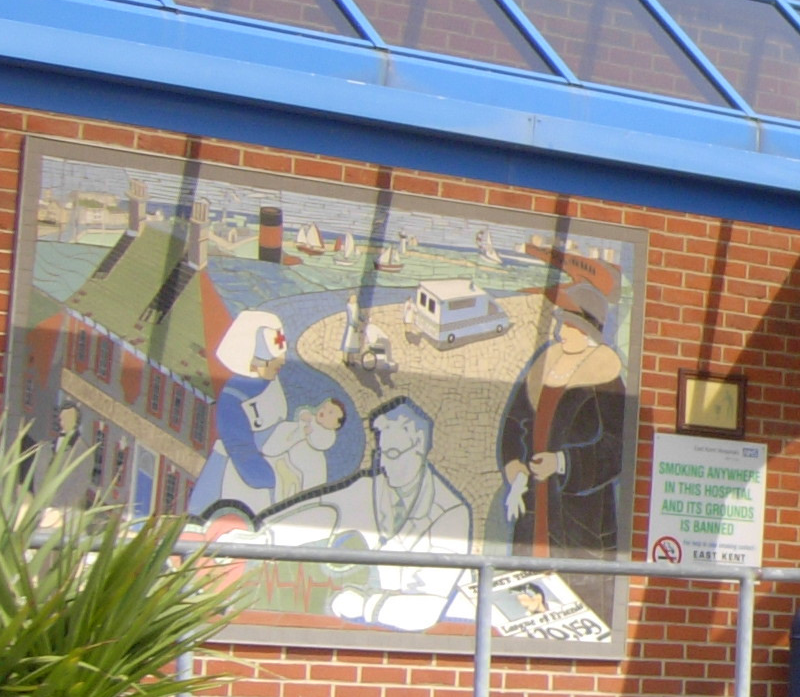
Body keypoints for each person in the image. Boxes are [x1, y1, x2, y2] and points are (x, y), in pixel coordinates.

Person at [264, 396, 478, 632]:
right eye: (382, 455)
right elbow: (313, 514)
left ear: (419, 444)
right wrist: (264, 535)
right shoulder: (366, 487)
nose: (386, 465)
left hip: (433, 642)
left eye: (394, 454)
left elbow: (426, 607)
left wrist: (365, 606)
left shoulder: (451, 512)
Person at [497, 270, 628, 557]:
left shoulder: (607, 378)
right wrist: (516, 470)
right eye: (562, 325)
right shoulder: (545, 365)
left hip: (581, 514)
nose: (560, 333)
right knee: (527, 584)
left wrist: (561, 462)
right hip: (534, 501)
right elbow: (515, 421)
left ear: (588, 332)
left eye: (569, 327)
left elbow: (617, 448)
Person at [186, 309, 291, 517]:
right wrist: (272, 479)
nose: (281, 363)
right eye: (272, 359)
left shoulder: (272, 383)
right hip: (235, 472)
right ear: (253, 361)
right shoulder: (233, 397)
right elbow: (240, 446)